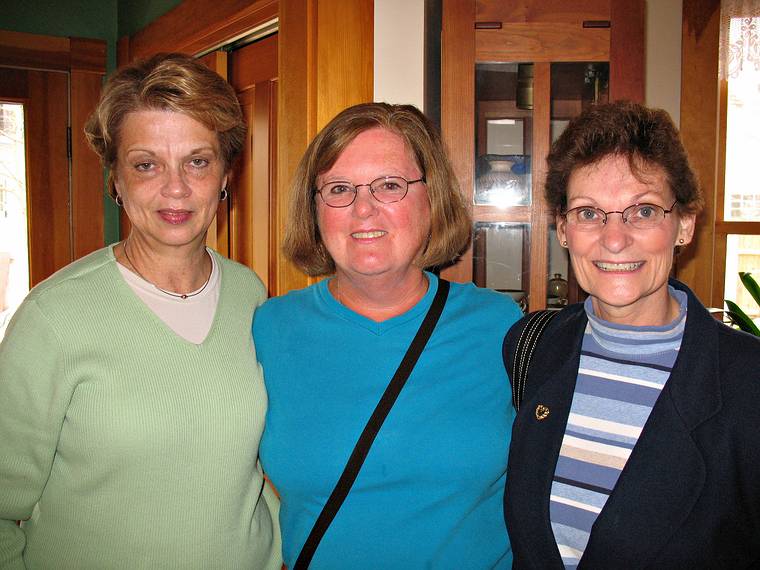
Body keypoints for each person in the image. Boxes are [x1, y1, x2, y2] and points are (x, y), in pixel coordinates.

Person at [0, 53, 280, 569]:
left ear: (226, 174)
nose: (175, 188)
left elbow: (246, 472)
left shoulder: (250, 294)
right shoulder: (54, 317)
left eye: (197, 161)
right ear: (116, 179)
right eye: (146, 164)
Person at [252, 102, 522, 568]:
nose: (363, 210)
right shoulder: (267, 330)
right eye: (339, 189)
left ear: (431, 196)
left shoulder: (502, 328)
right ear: (313, 208)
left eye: (390, 186)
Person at [503, 101, 760, 567]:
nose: (614, 238)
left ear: (683, 224)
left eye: (642, 211)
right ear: (563, 229)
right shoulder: (531, 347)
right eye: (588, 213)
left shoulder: (750, 383)